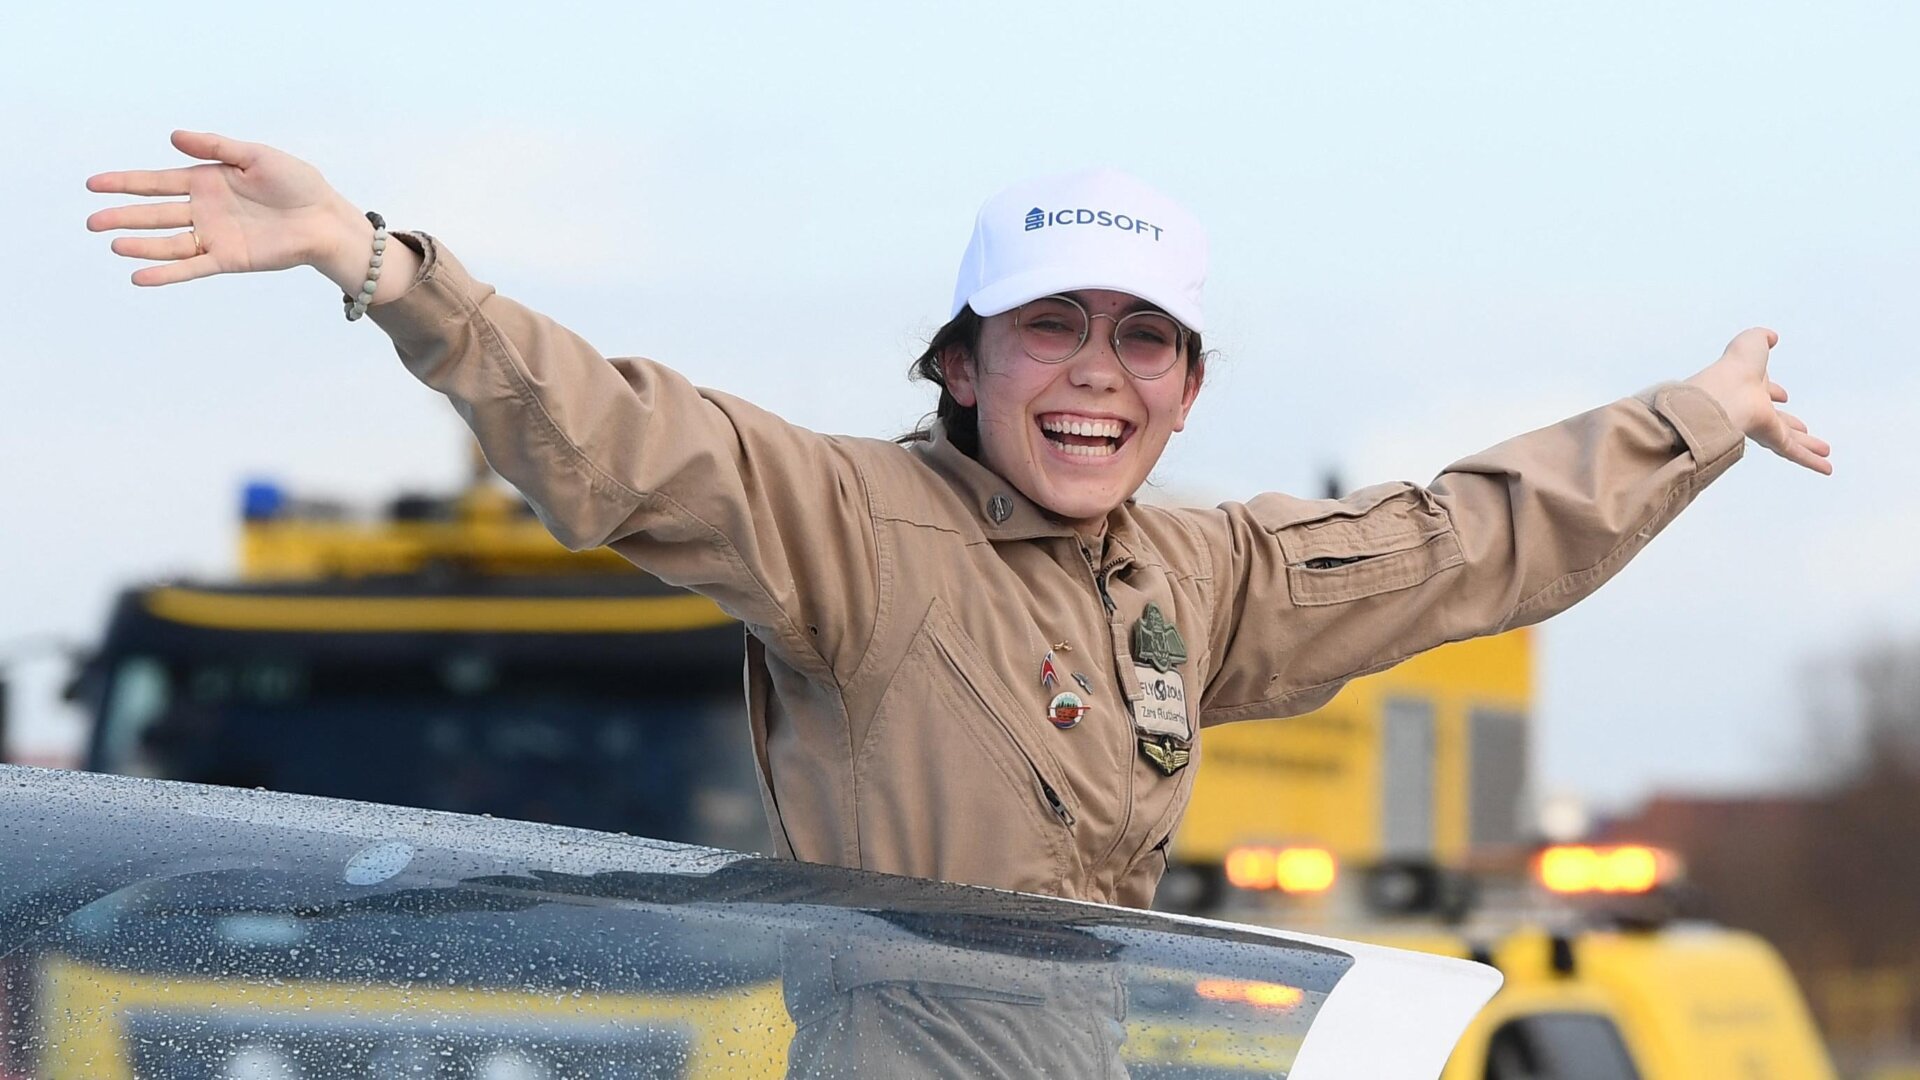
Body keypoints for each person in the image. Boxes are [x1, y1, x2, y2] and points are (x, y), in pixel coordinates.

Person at [87, 131, 1832, 914]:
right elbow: (616, 436)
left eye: (1144, 337)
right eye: (1052, 327)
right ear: (964, 363)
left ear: (1188, 385)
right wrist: (381, 265)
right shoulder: (853, 527)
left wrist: (1695, 420)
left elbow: (1462, 539)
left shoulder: (1194, 574)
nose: (1099, 374)